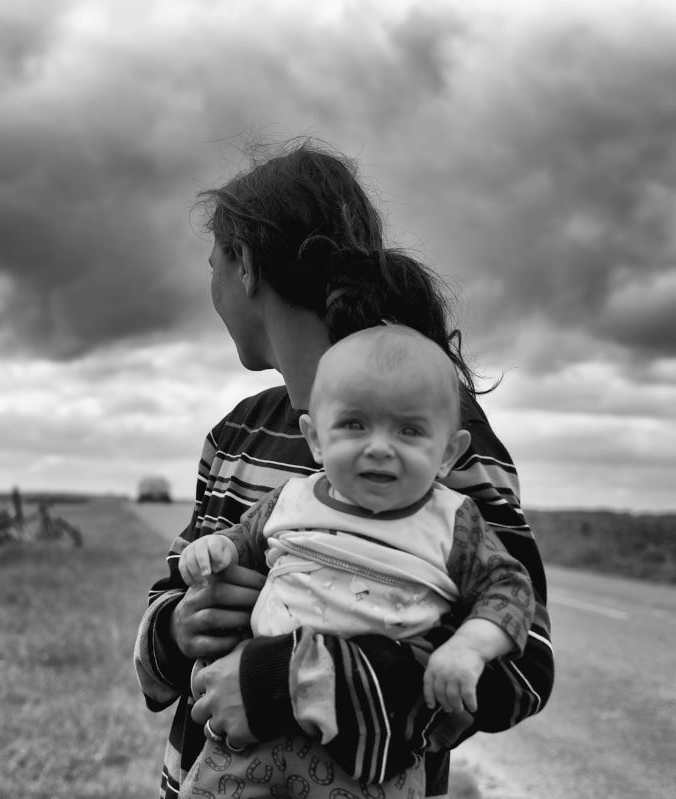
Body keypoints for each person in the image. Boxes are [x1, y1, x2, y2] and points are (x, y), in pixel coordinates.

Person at [134, 139, 554, 799]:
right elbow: (165, 615)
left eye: (212, 261)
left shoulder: (442, 430)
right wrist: (182, 624)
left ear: (243, 268)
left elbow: (525, 662)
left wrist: (280, 682)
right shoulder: (237, 434)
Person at [176, 324, 535, 797]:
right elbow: (241, 540)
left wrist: (469, 646)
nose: (380, 446)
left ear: (448, 453)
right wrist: (212, 550)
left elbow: (510, 589)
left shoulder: (453, 522)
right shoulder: (289, 499)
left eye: (409, 430)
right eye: (354, 425)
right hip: (247, 738)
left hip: (371, 756)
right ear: (316, 438)